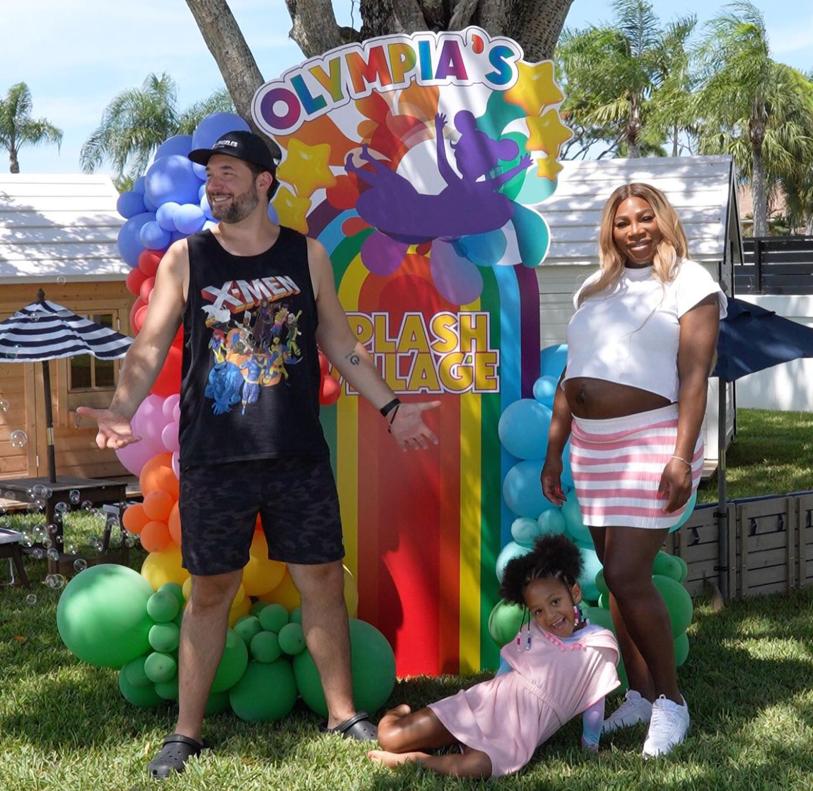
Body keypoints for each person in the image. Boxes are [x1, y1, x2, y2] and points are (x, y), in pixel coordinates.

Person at [77, 129, 440, 779]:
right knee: (210, 589)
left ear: (263, 181)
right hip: (216, 457)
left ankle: (339, 710)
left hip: (296, 452)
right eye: (210, 173)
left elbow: (341, 342)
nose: (214, 183)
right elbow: (150, 344)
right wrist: (120, 408)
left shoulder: (306, 255)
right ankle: (185, 731)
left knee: (321, 578)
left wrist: (390, 405)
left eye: (226, 172)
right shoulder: (187, 258)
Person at [541, 182, 727, 757]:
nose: (636, 230)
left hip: (652, 440)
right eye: (623, 223)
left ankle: (672, 703)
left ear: (663, 220)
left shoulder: (692, 282)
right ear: (611, 231)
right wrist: (554, 451)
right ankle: (640, 693)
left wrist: (681, 455)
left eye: (646, 218)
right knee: (610, 577)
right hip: (591, 448)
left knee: (626, 573)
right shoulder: (594, 289)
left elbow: (694, 377)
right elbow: (573, 377)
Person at [367, 534, 620, 778]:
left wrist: (591, 748)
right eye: (538, 610)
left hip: (515, 734)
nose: (550, 616)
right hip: (484, 705)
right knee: (389, 738)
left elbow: (594, 702)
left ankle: (416, 760)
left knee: (477, 767)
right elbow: (505, 669)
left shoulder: (598, 645)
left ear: (574, 593)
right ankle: (397, 713)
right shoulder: (534, 632)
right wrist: (480, 704)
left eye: (555, 602)